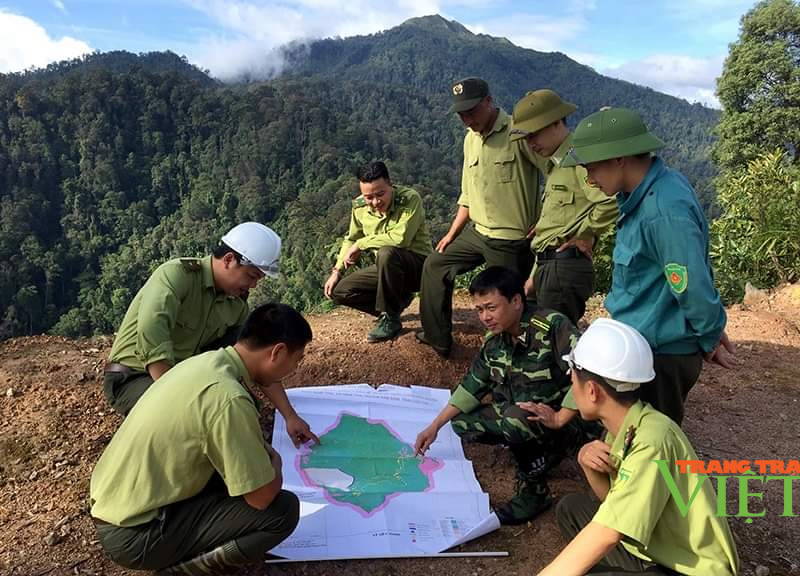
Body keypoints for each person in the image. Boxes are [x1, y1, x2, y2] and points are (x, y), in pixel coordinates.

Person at [90, 303, 318, 575]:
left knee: (233, 475)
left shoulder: (206, 363)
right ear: (277, 352)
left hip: (112, 504)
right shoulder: (228, 398)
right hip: (137, 536)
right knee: (282, 511)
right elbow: (261, 498)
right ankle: (185, 570)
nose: (295, 368)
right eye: (297, 359)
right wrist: (276, 464)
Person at [560, 107, 735, 424]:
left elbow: (691, 283)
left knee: (650, 444)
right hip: (643, 341)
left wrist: (709, 336)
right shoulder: (647, 193)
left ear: (619, 158)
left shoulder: (662, 210)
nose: (589, 178)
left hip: (660, 352)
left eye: (592, 167)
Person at [535, 318, 739, 575]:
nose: (570, 386)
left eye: (572, 377)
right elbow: (615, 503)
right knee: (572, 509)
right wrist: (585, 461)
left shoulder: (652, 441)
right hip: (655, 548)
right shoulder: (626, 424)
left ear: (592, 391)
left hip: (688, 568)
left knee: (589, 549)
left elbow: (608, 532)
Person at [414, 266, 583, 525]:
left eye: (491, 308)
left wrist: (561, 418)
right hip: (522, 416)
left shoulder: (551, 326)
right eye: (479, 310)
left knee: (515, 419)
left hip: (564, 421)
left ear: (516, 301)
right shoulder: (495, 340)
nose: (485, 317)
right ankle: (535, 452)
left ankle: (534, 491)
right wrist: (435, 426)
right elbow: (472, 387)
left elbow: (585, 374)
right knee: (461, 423)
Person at [416, 77, 541, 358]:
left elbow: (555, 171)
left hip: (509, 239)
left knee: (505, 303)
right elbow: (467, 194)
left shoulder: (517, 133)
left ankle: (515, 356)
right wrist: (451, 234)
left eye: (471, 111)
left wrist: (546, 219)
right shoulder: (470, 139)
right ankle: (438, 338)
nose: (466, 119)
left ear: (488, 101)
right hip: (477, 231)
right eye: (461, 113)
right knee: (435, 265)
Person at [103, 222, 281, 415]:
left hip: (185, 378)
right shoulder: (177, 276)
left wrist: (290, 416)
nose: (253, 285)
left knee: (242, 406)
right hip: (135, 376)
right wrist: (182, 398)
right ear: (229, 260)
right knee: (192, 416)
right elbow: (152, 335)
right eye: (251, 276)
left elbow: (252, 356)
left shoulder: (236, 306)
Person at [509, 89, 618, 325]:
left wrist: (586, 234)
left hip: (564, 268)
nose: (531, 143)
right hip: (549, 267)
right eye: (526, 137)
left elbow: (610, 201)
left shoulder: (579, 158)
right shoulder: (557, 162)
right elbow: (554, 227)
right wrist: (534, 276)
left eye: (535, 134)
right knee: (540, 341)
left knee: (553, 344)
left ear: (557, 122)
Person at [324, 161, 432, 342]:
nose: (375, 202)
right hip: (387, 270)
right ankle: (396, 305)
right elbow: (351, 237)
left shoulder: (409, 199)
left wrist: (362, 244)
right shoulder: (359, 207)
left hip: (419, 267)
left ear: (390, 184)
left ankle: (390, 319)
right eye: (368, 197)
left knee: (386, 252)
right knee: (340, 291)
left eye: (380, 194)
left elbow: (400, 239)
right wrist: (337, 271)